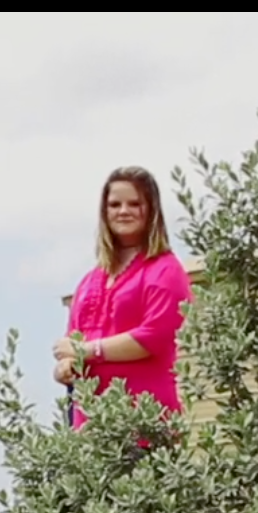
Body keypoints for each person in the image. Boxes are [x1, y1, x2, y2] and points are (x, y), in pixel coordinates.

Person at [55, 165, 193, 429]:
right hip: (91, 426)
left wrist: (88, 351)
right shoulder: (90, 280)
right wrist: (67, 364)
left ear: (151, 210)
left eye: (134, 203)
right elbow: (73, 341)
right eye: (115, 204)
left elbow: (154, 337)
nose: (123, 211)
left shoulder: (165, 270)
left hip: (144, 422)